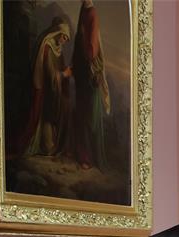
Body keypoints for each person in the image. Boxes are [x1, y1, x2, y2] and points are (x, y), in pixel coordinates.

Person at [18, 18, 72, 157]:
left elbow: (59, 69)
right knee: (48, 144)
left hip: (54, 91)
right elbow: (49, 73)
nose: (64, 41)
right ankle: (46, 143)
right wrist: (64, 74)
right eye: (64, 37)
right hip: (45, 91)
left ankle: (57, 142)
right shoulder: (47, 47)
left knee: (66, 105)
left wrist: (65, 73)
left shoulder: (58, 49)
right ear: (58, 33)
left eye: (66, 39)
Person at [72, 0, 110, 170]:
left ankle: (89, 157)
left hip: (88, 72)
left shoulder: (90, 12)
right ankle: (85, 156)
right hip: (84, 71)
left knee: (88, 116)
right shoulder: (86, 11)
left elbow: (92, 50)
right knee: (84, 115)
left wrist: (86, 62)